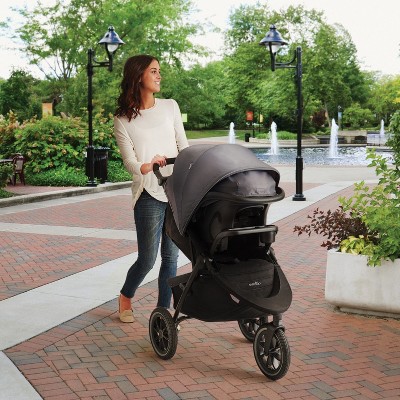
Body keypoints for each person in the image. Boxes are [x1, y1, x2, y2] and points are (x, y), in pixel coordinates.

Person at [114, 54, 189, 323]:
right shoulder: (123, 119)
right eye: (153, 71)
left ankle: (163, 315)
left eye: (159, 71)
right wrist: (148, 166)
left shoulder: (170, 106)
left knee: (171, 258)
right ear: (138, 76)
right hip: (148, 192)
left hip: (175, 191)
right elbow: (130, 162)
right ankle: (126, 295)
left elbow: (183, 146)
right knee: (147, 259)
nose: (159, 76)